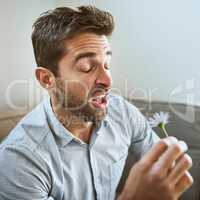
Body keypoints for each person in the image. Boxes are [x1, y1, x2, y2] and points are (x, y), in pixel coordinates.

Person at [0, 5, 193, 200]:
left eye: (107, 64)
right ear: (47, 79)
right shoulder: (18, 161)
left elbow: (165, 169)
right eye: (87, 67)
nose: (108, 81)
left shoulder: (123, 113)